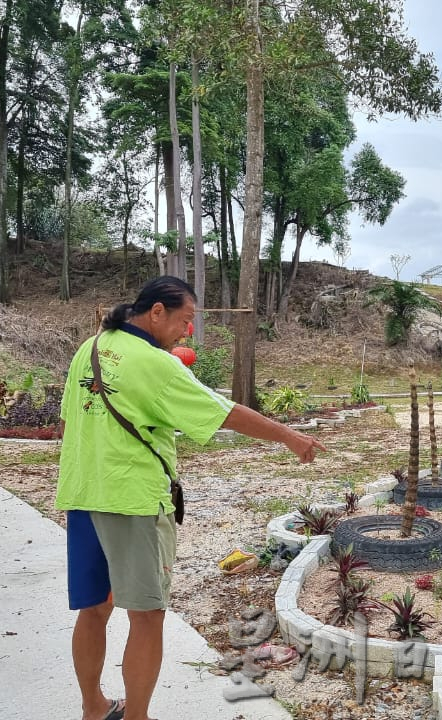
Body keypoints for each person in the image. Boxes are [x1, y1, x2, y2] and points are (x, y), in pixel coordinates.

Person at [56, 276, 326, 720]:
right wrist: (290, 437)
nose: (188, 331)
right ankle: (138, 717)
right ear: (156, 312)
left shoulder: (91, 347)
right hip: (133, 502)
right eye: (184, 320)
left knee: (94, 609)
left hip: (83, 495)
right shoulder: (157, 364)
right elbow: (225, 413)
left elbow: (69, 425)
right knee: (146, 616)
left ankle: (93, 709)